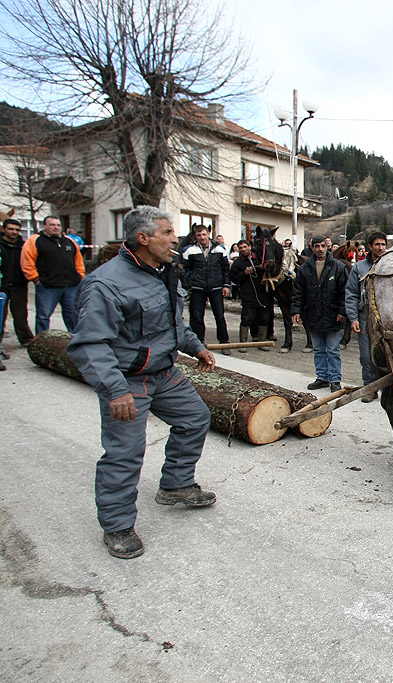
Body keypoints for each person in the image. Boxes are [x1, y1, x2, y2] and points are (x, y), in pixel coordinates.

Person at [66, 206, 217, 560]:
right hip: (127, 380)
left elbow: (171, 324)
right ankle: (117, 525)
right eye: (167, 232)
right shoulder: (105, 284)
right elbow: (89, 344)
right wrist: (115, 390)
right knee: (125, 453)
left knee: (195, 418)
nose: (175, 239)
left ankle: (176, 486)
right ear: (143, 238)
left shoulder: (163, 273)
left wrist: (196, 347)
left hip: (165, 373)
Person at [292, 236, 348, 392]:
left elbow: (344, 292)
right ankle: (322, 377)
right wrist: (296, 310)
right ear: (312, 248)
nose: (320, 249)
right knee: (318, 348)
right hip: (313, 313)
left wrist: (342, 311)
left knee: (333, 350)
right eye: (317, 246)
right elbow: (298, 292)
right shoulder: (304, 269)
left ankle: (335, 379)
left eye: (323, 246)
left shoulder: (338, 267)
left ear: (327, 247)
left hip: (332, 314)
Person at [21, 215, 84, 334]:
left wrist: (80, 276)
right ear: (44, 226)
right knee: (43, 317)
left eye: (58, 225)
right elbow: (27, 261)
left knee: (73, 316)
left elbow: (78, 261)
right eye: (52, 225)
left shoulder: (69, 241)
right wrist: (35, 278)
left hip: (71, 286)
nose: (56, 228)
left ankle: (77, 342)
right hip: (48, 286)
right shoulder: (35, 240)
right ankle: (41, 343)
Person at [345, 232, 387, 402]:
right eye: (377, 244)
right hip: (365, 316)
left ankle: (387, 388)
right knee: (366, 354)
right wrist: (353, 318)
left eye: (383, 244)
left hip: (387, 317)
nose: (381, 248)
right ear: (370, 246)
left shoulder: (391, 264)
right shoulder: (359, 268)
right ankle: (370, 387)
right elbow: (351, 294)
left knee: (386, 353)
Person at [181, 226, 232, 354]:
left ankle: (224, 343)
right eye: (199, 235)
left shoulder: (220, 249)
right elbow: (186, 270)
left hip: (216, 287)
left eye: (204, 234)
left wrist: (226, 285)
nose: (202, 237)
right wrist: (190, 283)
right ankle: (198, 344)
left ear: (208, 233)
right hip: (198, 288)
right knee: (197, 316)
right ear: (195, 236)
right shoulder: (189, 250)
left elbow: (225, 268)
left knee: (219, 316)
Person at [229, 240, 273, 353]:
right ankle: (243, 343)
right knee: (247, 318)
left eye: (245, 247)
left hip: (263, 294)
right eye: (240, 247)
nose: (243, 249)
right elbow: (233, 278)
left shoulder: (259, 258)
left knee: (264, 318)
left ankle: (262, 342)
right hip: (248, 294)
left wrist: (265, 268)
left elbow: (271, 269)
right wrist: (244, 273)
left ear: (249, 247)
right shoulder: (237, 263)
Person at [1, 218, 33, 348]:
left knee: (21, 315)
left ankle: (26, 339)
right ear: (4, 229)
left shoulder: (24, 246)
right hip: (2, 286)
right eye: (11, 229)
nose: (14, 232)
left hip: (19, 285)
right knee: (0, 316)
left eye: (17, 230)